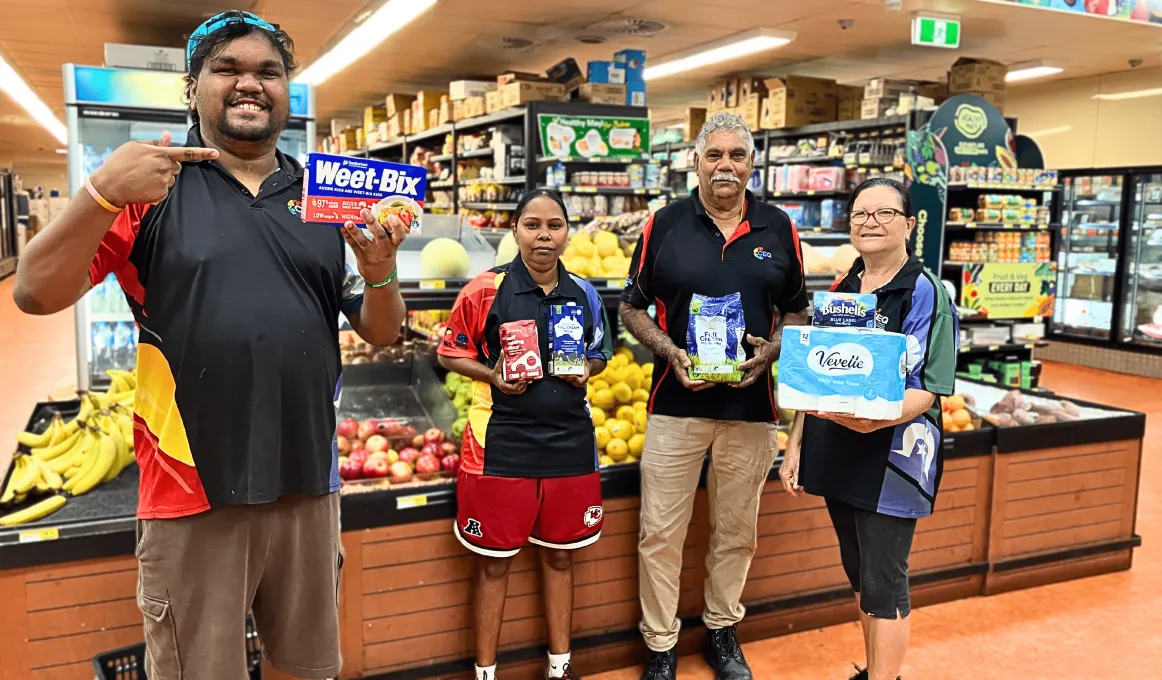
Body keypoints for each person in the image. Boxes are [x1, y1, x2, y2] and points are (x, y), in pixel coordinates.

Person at [12, 11, 408, 679]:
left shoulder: (322, 197)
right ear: (192, 88)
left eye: (268, 72)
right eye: (227, 69)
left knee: (311, 668)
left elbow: (381, 331)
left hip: (309, 483)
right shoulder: (149, 188)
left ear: (287, 90)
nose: (250, 84)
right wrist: (101, 193)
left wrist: (380, 274)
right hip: (192, 489)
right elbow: (34, 292)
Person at [619, 112, 810, 680]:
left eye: (738, 156)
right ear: (696, 161)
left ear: (752, 165)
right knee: (659, 531)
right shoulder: (665, 224)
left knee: (736, 532)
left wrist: (771, 351)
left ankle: (722, 631)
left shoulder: (779, 227)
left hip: (751, 411)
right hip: (674, 405)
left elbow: (798, 310)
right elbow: (630, 308)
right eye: (715, 155)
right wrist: (670, 352)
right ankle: (659, 644)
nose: (726, 165)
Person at [780, 177, 959, 680]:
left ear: (909, 223)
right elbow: (813, 373)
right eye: (860, 213)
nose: (870, 222)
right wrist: (795, 442)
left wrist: (875, 417)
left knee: (884, 581)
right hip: (838, 446)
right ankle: (874, 671)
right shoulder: (841, 288)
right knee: (859, 573)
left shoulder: (925, 293)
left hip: (893, 458)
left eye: (883, 213)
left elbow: (930, 386)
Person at [437, 190, 613, 680]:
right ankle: (485, 672)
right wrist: (492, 376)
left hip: (570, 443)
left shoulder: (585, 292)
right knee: (494, 565)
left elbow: (600, 352)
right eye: (532, 225)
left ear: (567, 232)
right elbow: (451, 353)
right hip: (501, 446)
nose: (543, 235)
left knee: (560, 559)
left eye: (554, 225)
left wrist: (587, 370)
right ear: (514, 230)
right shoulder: (483, 290)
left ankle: (559, 668)